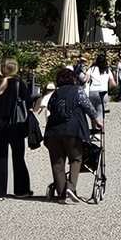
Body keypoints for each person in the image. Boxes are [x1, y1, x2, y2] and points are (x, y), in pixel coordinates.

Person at [42, 66, 102, 203]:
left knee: (57, 162)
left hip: (54, 130)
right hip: (73, 129)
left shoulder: (55, 93)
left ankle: (61, 194)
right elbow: (87, 106)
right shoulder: (78, 90)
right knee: (76, 158)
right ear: (73, 78)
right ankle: (70, 187)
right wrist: (97, 120)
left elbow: (50, 108)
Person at [0, 56, 35, 201]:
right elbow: (28, 103)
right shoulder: (19, 85)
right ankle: (21, 190)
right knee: (18, 157)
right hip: (16, 125)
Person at [84, 50, 113, 118]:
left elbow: (85, 79)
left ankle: (94, 124)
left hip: (93, 91)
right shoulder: (107, 70)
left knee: (93, 113)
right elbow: (113, 83)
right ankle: (101, 123)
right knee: (100, 113)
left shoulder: (92, 69)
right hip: (103, 92)